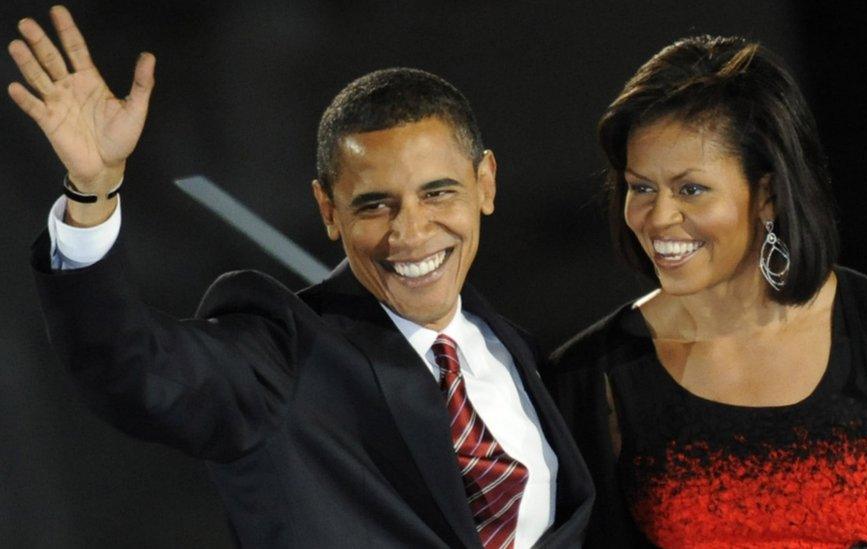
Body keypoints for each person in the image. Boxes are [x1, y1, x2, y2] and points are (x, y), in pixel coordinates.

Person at [9, 6, 593, 548]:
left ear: (485, 183)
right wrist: (92, 191)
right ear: (328, 211)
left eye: (437, 193)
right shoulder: (282, 352)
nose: (410, 233)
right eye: (374, 205)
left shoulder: (524, 357)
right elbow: (133, 367)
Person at [545, 35, 867, 548]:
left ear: (767, 194)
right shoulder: (589, 379)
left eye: (691, 189)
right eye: (642, 188)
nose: (658, 217)